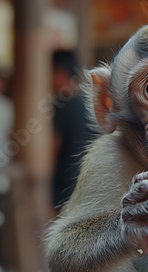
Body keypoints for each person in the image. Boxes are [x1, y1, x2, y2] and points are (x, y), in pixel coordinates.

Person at [51, 50, 98, 210]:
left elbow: (53, 148)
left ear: (59, 73)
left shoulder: (63, 104)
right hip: (88, 185)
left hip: (65, 187)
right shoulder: (90, 103)